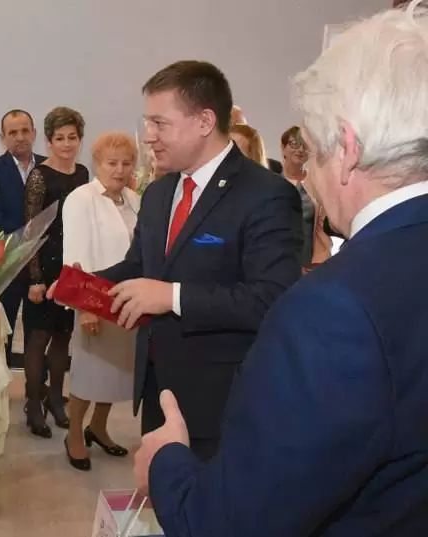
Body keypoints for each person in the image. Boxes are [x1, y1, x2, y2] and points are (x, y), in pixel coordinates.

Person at [134, 2, 428, 535]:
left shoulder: (334, 308)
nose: (309, 176)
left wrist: (165, 464)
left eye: (312, 152)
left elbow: (229, 521)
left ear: (349, 150)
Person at [57, 61, 303, 461]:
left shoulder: (265, 194)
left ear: (204, 121)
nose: (148, 136)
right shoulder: (159, 193)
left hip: (223, 394)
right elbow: (140, 267)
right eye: (147, 123)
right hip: (158, 383)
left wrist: (171, 297)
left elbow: (271, 299)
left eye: (159, 123)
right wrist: (80, 285)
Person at [61, 132, 139, 471]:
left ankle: (99, 427)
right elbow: (75, 257)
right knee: (88, 375)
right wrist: (84, 308)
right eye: (112, 163)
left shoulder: (135, 199)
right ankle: (74, 434)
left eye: (126, 163)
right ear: (97, 164)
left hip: (128, 300)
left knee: (116, 374)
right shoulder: (81, 199)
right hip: (94, 303)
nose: (119, 170)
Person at [23, 106, 89, 438]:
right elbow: (31, 231)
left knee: (63, 338)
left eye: (72, 137)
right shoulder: (39, 176)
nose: (66, 144)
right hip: (43, 266)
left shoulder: (83, 173)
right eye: (59, 138)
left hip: (70, 267)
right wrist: (35, 279)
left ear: (80, 139)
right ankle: (34, 404)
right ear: (49, 141)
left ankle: (55, 398)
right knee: (38, 340)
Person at [0, 110, 46, 367]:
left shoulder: (48, 167)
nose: (20, 137)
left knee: (38, 335)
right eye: (13, 132)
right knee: (2, 334)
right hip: (6, 264)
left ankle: (36, 387)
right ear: (3, 138)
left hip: (41, 264)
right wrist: (31, 236)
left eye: (25, 131)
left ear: (34, 133)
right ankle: (1, 385)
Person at [280, 125, 332, 265]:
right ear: (283, 148)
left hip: (310, 260)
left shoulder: (317, 182)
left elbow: (323, 227)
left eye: (305, 145)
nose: (300, 149)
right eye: (294, 144)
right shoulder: (272, 181)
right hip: (278, 258)